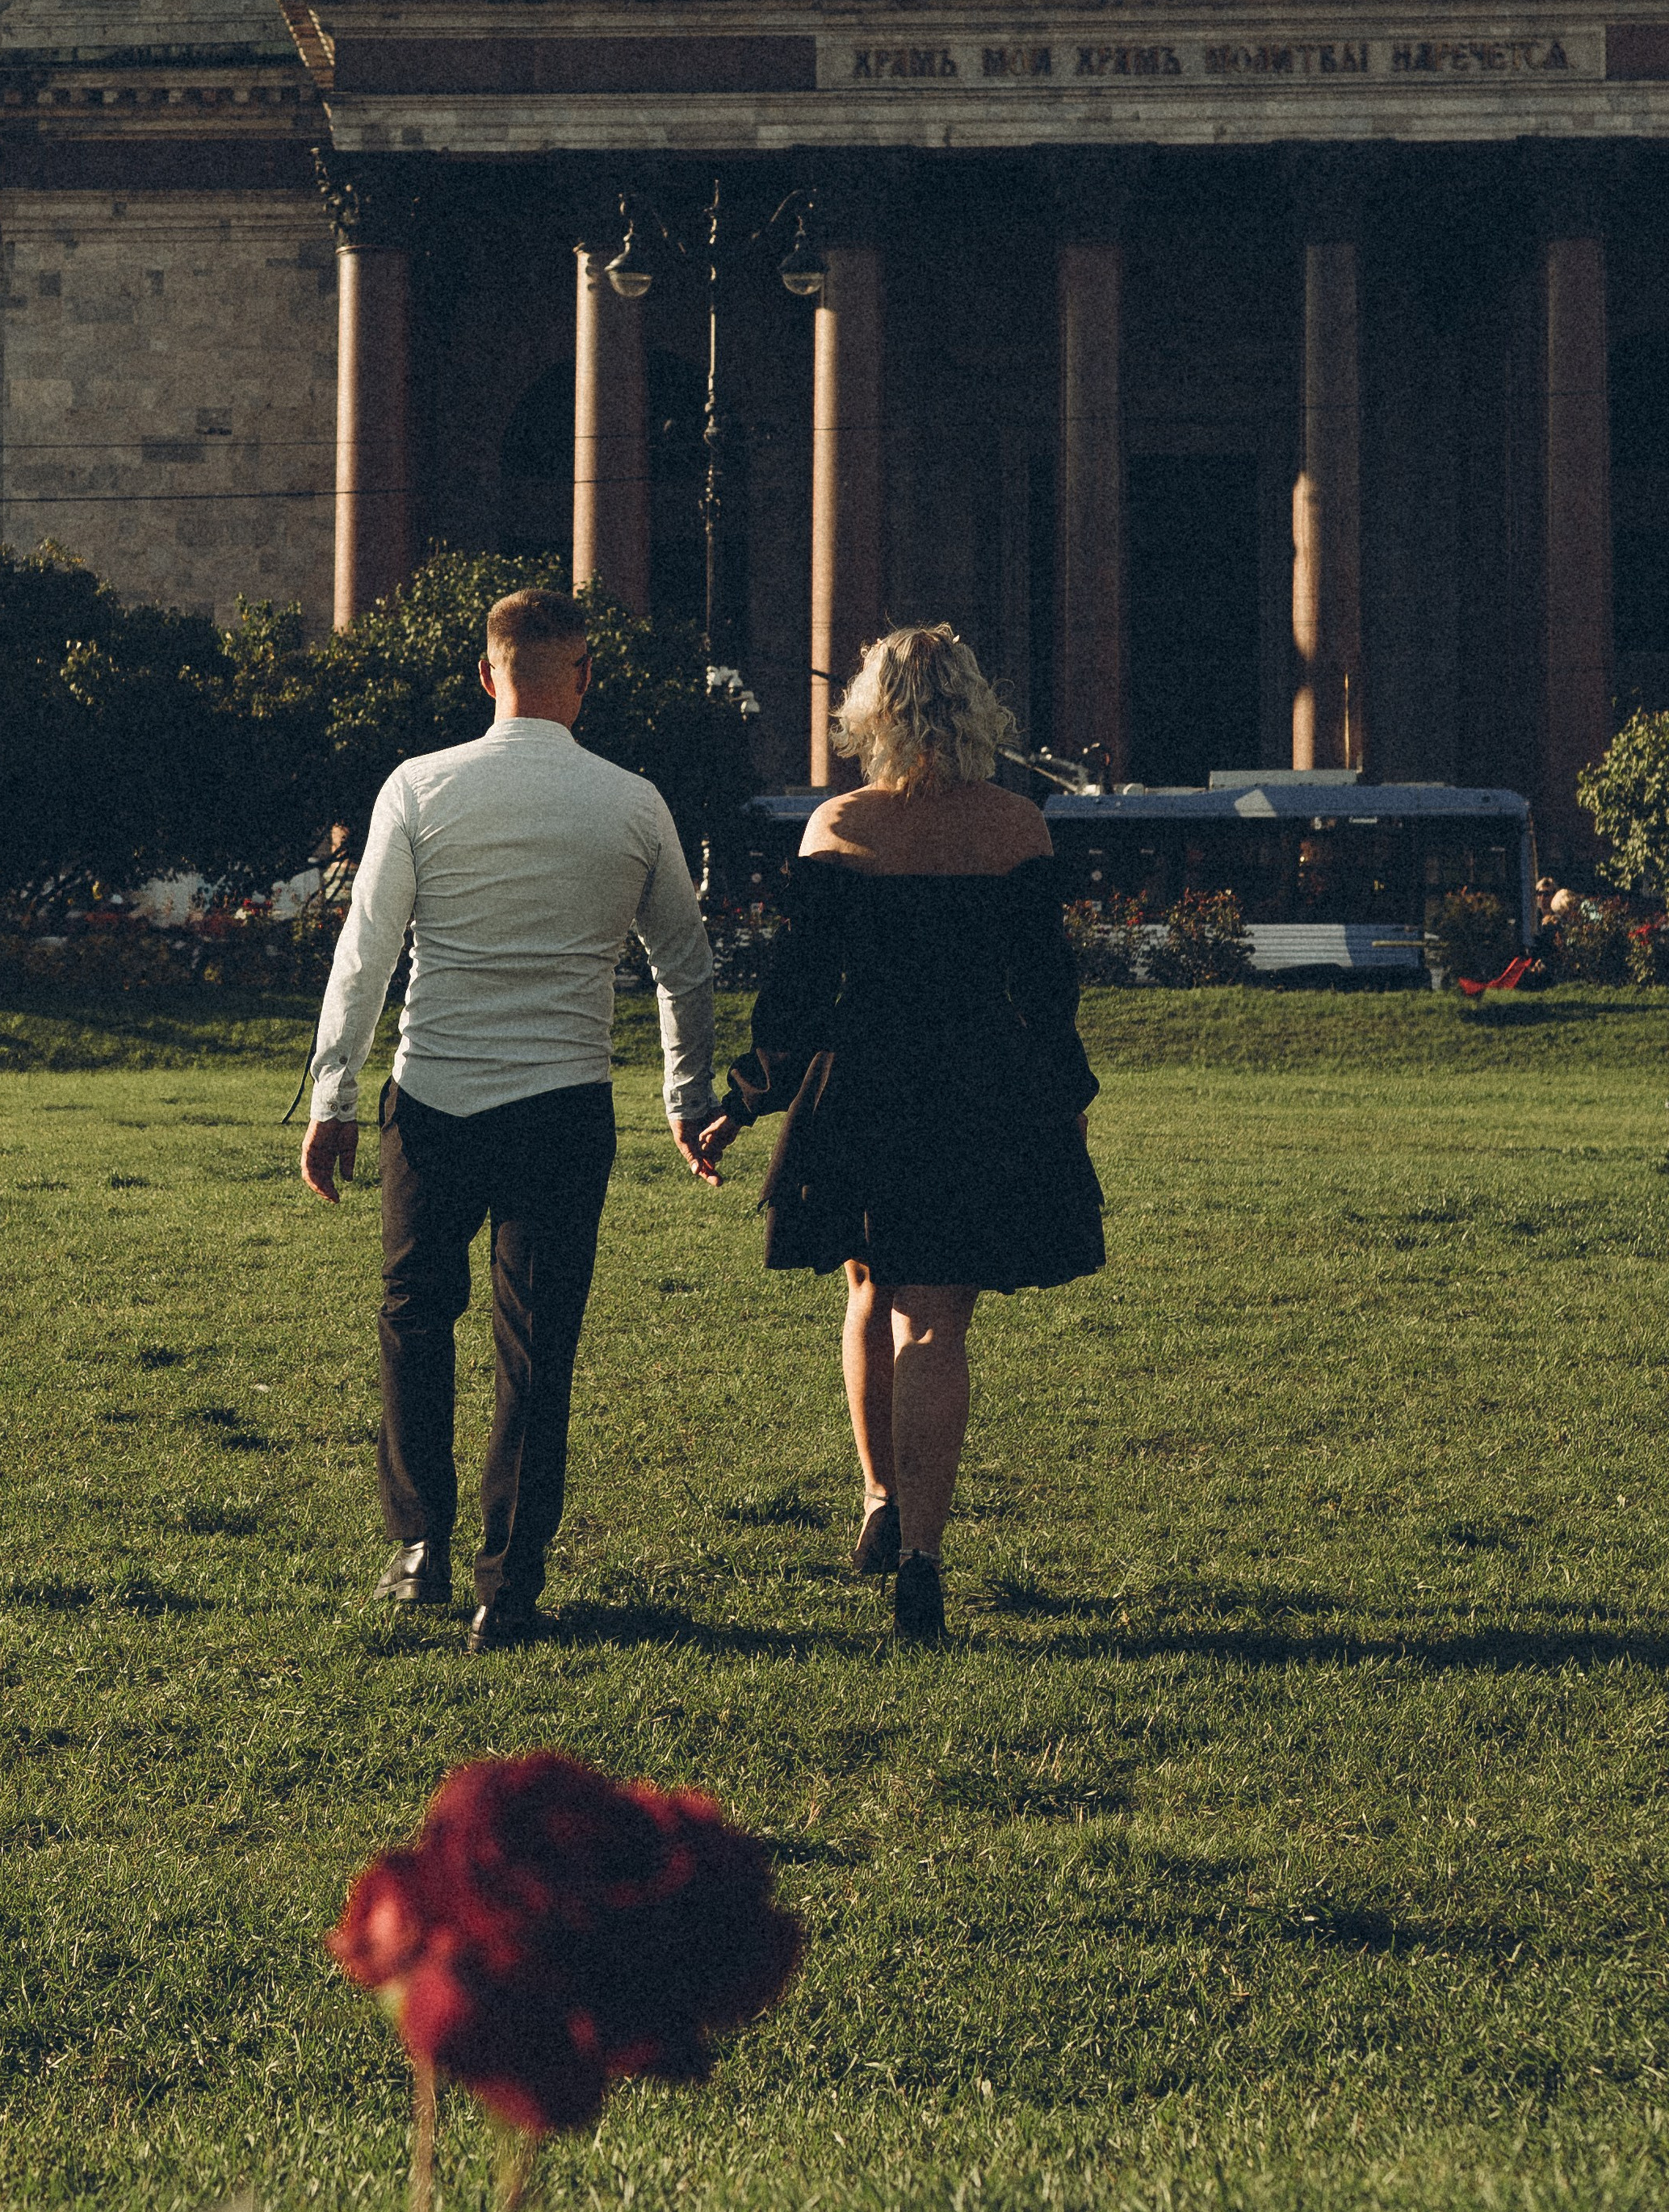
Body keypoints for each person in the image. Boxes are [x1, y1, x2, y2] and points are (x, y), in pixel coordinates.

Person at [300, 588, 719, 1653]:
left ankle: (418, 1549)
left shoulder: (419, 786)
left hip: (433, 1098)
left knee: (413, 1318)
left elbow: (366, 954)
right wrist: (687, 1098)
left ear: (486, 675)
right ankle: (510, 1584)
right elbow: (684, 963)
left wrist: (333, 1095)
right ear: (585, 677)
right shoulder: (632, 803)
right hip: (564, 1105)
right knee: (537, 1345)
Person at [700, 626, 1104, 1646]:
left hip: (861, 1091)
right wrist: (1066, 1094)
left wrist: (741, 1101)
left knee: (869, 1292)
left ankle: (879, 1500)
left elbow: (798, 997)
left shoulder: (839, 825)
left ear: (870, 713)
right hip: (980, 1091)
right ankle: (922, 1556)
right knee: (936, 1326)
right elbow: (1045, 994)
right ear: (974, 707)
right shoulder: (1018, 827)